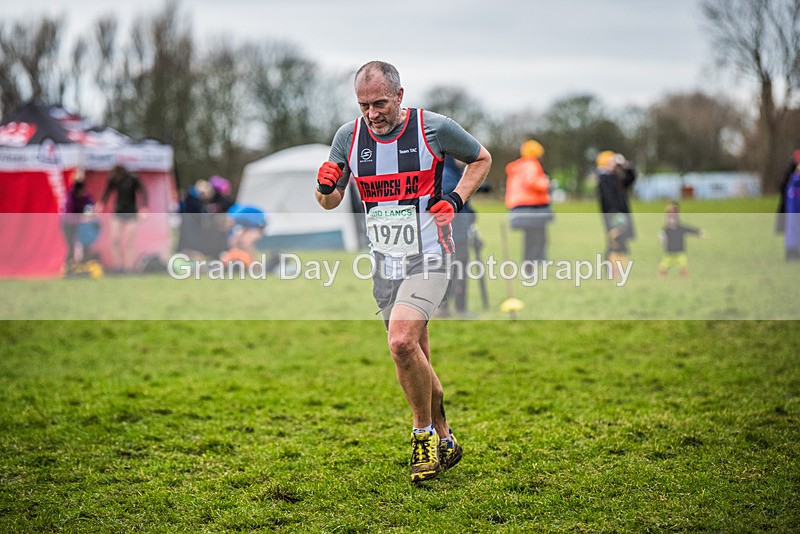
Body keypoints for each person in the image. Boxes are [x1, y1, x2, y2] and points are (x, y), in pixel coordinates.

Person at [315, 61, 491, 482]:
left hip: (429, 257)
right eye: (363, 105)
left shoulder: (434, 128)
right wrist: (323, 187)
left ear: (399, 95)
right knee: (414, 356)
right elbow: (330, 201)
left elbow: (481, 159)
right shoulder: (348, 137)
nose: (372, 113)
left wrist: (456, 199)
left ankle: (422, 436)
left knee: (399, 342)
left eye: (379, 103)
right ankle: (445, 436)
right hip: (384, 265)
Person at [504, 140, 553, 273]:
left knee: (530, 239)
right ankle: (531, 267)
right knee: (537, 239)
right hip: (532, 206)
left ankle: (529, 266)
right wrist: (546, 183)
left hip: (519, 207)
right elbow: (531, 181)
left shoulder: (519, 166)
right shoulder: (531, 164)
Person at [437, 155, 476, 317]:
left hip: (457, 231)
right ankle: (456, 309)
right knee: (456, 270)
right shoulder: (447, 175)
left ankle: (451, 308)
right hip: (454, 233)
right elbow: (451, 203)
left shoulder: (453, 173)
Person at [98, 164, 148, 273]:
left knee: (130, 242)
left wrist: (144, 206)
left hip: (131, 213)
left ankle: (129, 268)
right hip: (118, 212)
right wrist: (101, 203)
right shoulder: (113, 180)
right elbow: (107, 192)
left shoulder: (133, 179)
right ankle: (118, 266)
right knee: (115, 240)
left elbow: (143, 192)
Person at [596, 150, 636, 276]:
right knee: (614, 243)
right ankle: (612, 270)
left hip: (621, 214)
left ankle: (620, 269)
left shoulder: (616, 177)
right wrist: (614, 215)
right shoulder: (604, 178)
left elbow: (630, 179)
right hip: (613, 216)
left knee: (622, 242)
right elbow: (608, 199)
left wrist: (626, 166)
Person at [658, 202, 704, 277]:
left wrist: (698, 232)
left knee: (683, 265)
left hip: (680, 251)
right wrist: (662, 240)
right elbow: (662, 236)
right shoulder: (666, 229)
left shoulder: (681, 228)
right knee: (664, 265)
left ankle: (683, 276)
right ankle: (662, 276)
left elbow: (690, 229)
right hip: (669, 251)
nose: (671, 220)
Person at [61, 173, 95, 269]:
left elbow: (90, 205)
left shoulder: (85, 195)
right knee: (71, 246)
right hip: (67, 224)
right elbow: (70, 214)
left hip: (79, 224)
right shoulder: (70, 196)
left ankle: (83, 265)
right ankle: (68, 267)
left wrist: (89, 213)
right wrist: (83, 217)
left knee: (85, 244)